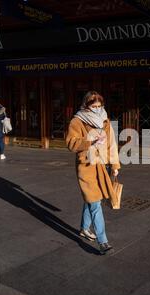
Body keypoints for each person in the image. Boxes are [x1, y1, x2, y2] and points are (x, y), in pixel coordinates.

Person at [66, 91, 121, 255]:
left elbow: (112, 144)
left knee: (91, 199)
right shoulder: (77, 121)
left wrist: (115, 164)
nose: (97, 109)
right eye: (93, 106)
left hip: (102, 165)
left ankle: (84, 228)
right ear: (86, 106)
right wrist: (90, 141)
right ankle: (103, 241)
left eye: (99, 106)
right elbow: (71, 143)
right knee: (95, 203)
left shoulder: (105, 120)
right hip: (87, 166)